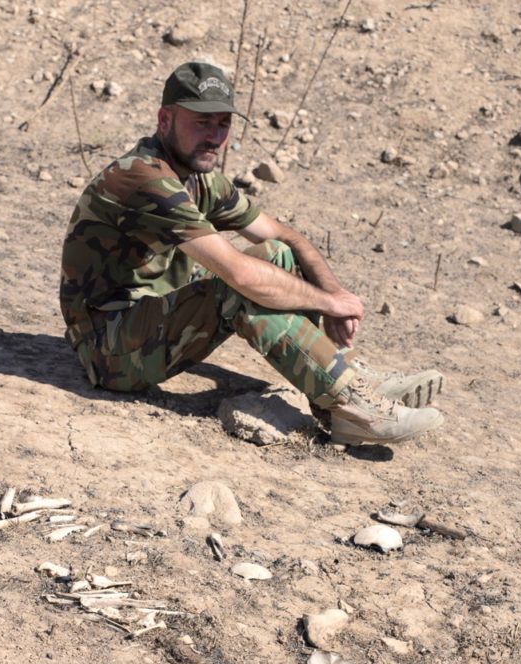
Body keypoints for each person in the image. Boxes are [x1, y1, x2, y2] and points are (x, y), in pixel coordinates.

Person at [60, 61, 444, 446]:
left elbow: (286, 237)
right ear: (165, 119)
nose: (214, 136)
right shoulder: (143, 178)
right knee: (238, 286)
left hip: (150, 318)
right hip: (107, 349)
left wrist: (336, 297)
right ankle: (353, 401)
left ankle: (341, 382)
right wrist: (328, 303)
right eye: (201, 123)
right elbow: (239, 276)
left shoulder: (199, 177)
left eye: (222, 124)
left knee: (274, 255)